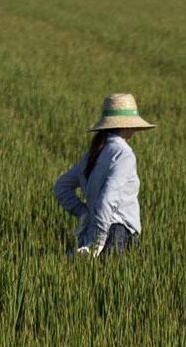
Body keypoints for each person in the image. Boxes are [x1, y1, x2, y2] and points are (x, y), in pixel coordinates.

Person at [53, 94, 155, 257]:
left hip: (93, 230)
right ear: (128, 126)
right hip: (116, 233)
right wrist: (99, 240)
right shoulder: (124, 154)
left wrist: (84, 213)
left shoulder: (95, 151)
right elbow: (108, 199)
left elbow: (61, 187)